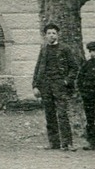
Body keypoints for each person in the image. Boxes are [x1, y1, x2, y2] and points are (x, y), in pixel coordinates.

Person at [32, 21, 77, 150]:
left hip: (60, 85)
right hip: (46, 86)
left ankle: (67, 143)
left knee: (62, 114)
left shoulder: (65, 49)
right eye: (49, 33)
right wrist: (35, 85)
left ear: (58, 35)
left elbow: (74, 67)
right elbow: (38, 68)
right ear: (45, 36)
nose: (51, 35)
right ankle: (54, 143)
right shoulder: (44, 50)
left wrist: (66, 81)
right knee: (49, 114)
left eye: (54, 33)